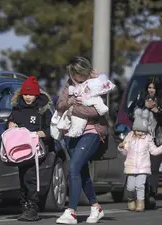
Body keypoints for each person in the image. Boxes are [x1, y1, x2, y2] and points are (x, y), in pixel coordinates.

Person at [56, 56, 108, 224]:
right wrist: (70, 102)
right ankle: (96, 207)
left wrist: (73, 109)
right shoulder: (69, 86)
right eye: (73, 73)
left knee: (74, 167)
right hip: (71, 132)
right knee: (80, 170)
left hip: (92, 131)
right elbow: (59, 105)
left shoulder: (95, 84)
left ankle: (71, 211)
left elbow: (96, 111)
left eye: (79, 73)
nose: (76, 77)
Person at [7, 76, 52, 221]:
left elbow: (51, 130)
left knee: (31, 178)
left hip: (36, 150)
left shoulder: (42, 109)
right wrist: (10, 125)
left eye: (31, 94)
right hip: (19, 150)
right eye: (25, 94)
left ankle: (33, 207)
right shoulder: (17, 108)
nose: (28, 97)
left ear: (36, 94)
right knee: (22, 177)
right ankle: (24, 205)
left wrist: (41, 134)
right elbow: (9, 122)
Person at [128, 75, 162, 209]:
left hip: (156, 138)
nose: (151, 90)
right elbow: (130, 114)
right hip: (140, 138)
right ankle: (141, 195)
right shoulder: (139, 99)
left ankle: (151, 194)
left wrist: (157, 110)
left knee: (153, 168)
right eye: (149, 87)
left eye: (154, 88)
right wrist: (144, 107)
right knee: (140, 168)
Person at [118, 108, 162, 212]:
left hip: (143, 167)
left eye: (142, 131)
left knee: (140, 185)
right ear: (134, 129)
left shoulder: (148, 138)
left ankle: (140, 203)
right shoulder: (129, 137)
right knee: (130, 187)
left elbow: (154, 151)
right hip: (131, 166)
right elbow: (125, 151)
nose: (140, 133)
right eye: (138, 130)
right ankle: (131, 199)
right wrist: (122, 147)